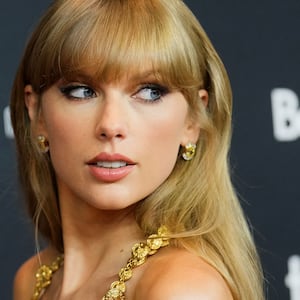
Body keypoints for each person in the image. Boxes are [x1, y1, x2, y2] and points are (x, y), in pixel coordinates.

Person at [10, 0, 265, 299]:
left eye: (149, 92)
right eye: (81, 91)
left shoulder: (182, 288)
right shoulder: (32, 280)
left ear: (193, 119)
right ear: (37, 112)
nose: (111, 125)